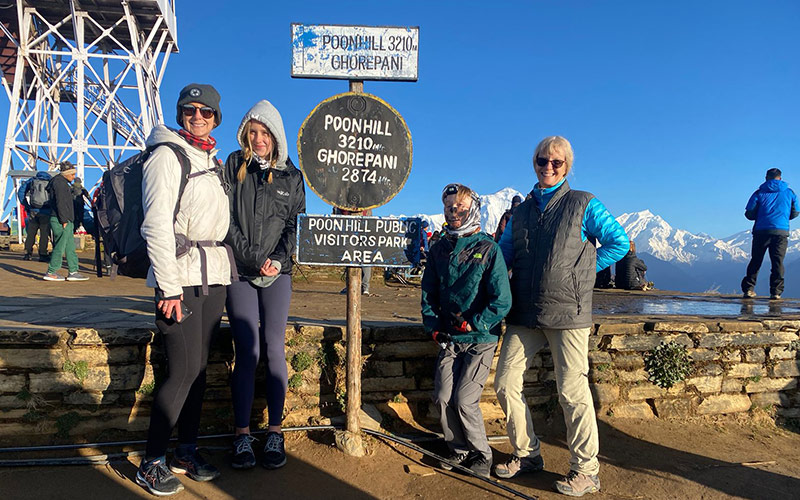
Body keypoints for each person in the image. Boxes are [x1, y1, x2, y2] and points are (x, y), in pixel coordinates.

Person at [495, 136, 629, 497]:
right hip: (524, 310)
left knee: (572, 392)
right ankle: (527, 455)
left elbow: (619, 241)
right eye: (543, 160)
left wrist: (581, 274)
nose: (548, 167)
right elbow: (502, 257)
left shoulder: (584, 203)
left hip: (568, 312)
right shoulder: (520, 212)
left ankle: (586, 471)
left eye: (557, 162)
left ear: (567, 166)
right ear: (534, 162)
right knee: (505, 383)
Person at [136, 83, 232, 497]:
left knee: (199, 370)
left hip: (213, 277)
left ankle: (185, 450)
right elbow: (156, 225)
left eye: (206, 111)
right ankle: (152, 460)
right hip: (181, 279)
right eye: (190, 110)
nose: (198, 116)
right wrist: (169, 289)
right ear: (180, 114)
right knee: (182, 371)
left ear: (215, 118)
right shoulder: (166, 155)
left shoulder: (209, 160)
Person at [223, 100, 305, 470]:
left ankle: (274, 430)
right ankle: (242, 434)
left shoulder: (292, 176)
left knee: (274, 350)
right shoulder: (233, 166)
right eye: (252, 132)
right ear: (245, 134)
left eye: (265, 132)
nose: (258, 139)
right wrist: (251, 257)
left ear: (276, 136)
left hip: (278, 274)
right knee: (247, 351)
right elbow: (225, 220)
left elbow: (296, 226)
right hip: (240, 270)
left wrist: (278, 260)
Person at [421, 183, 512, 479]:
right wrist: (434, 327)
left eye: (460, 206)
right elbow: (429, 293)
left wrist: (477, 322)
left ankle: (481, 454)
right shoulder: (439, 249)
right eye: (449, 207)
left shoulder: (488, 249)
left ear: (472, 208)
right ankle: (458, 449)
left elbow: (503, 300)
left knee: (464, 398)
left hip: (479, 339)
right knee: (443, 396)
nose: (454, 212)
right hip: (449, 337)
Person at [741, 168, 799, 300]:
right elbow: (796, 212)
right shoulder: (790, 193)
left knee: (756, 260)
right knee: (777, 262)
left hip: (761, 231)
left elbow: (749, 213)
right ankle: (776, 292)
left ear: (766, 177)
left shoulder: (759, 192)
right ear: (780, 177)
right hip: (781, 232)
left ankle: (749, 289)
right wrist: (783, 218)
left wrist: (761, 216)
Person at [43, 162, 88, 281]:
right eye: (72, 174)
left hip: (65, 218)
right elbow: (61, 203)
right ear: (66, 173)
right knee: (61, 245)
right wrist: (64, 220)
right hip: (62, 219)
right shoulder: (60, 184)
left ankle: (73, 271)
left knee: (69, 246)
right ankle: (51, 271)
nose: (74, 177)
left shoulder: (59, 182)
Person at [17, 171, 52, 262]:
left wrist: (26, 205)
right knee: (44, 234)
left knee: (31, 233)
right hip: (46, 211)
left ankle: (27, 253)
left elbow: (21, 192)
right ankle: (43, 254)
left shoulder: (32, 180)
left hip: (33, 210)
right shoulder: (50, 181)